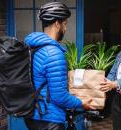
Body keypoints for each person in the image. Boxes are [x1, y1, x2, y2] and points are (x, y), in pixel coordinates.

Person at [24, 2, 93, 130]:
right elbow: (59, 96)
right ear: (57, 24)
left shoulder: (32, 47)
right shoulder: (53, 53)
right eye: (65, 24)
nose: (65, 28)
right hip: (49, 118)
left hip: (32, 114)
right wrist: (81, 103)